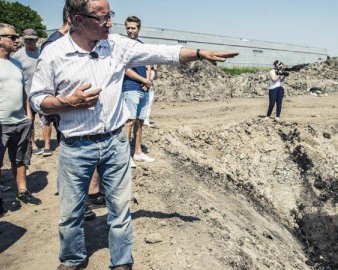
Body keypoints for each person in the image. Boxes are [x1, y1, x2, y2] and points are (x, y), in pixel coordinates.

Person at [28, 0, 238, 269]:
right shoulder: (54, 53)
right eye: (101, 18)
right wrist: (68, 102)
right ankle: (72, 260)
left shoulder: (116, 45)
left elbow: (161, 52)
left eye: (109, 16)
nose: (108, 23)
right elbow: (38, 98)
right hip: (75, 147)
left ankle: (122, 262)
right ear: (78, 19)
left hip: (115, 143)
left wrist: (198, 52)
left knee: (120, 209)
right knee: (70, 214)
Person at [41, 3, 98, 222]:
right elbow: (46, 83)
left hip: (73, 107)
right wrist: (65, 102)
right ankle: (77, 204)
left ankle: (83, 198)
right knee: (72, 160)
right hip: (64, 109)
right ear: (73, 17)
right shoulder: (55, 42)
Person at [0, 23, 42, 210]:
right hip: (1, 124)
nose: (17, 40)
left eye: (17, 37)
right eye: (12, 37)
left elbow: (23, 93)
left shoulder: (16, 64)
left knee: (21, 159)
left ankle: (22, 191)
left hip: (20, 121)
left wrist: (28, 116)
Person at [122, 16, 154, 167]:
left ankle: (138, 152)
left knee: (140, 122)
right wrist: (143, 81)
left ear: (138, 29)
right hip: (131, 88)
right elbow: (125, 69)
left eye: (133, 28)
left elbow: (148, 65)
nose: (130, 31)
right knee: (129, 122)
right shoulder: (124, 46)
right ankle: (125, 156)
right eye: (128, 28)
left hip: (144, 89)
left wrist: (147, 82)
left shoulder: (141, 46)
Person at [10, 28, 45, 155]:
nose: (29, 42)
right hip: (26, 94)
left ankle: (47, 144)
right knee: (29, 120)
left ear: (36, 39)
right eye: (26, 40)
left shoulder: (42, 52)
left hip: (42, 93)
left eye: (31, 39)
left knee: (46, 120)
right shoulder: (17, 56)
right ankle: (32, 143)